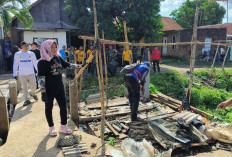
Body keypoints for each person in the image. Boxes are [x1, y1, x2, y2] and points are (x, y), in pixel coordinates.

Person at [38, 40, 79, 136]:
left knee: (63, 107)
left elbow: (67, 65)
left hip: (59, 87)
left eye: (55, 47)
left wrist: (80, 65)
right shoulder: (42, 62)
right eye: (52, 47)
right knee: (49, 108)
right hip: (49, 89)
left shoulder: (58, 58)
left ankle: (63, 126)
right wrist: (43, 92)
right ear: (46, 48)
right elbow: (41, 77)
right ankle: (51, 127)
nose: (54, 49)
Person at [13, 41, 38, 106]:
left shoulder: (31, 53)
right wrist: (15, 74)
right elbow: (15, 64)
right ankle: (27, 99)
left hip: (31, 73)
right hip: (22, 74)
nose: (27, 47)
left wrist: (38, 71)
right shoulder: (17, 54)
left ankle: (33, 94)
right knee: (24, 88)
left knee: (34, 85)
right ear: (21, 46)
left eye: (27, 46)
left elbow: (35, 63)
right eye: (25, 46)